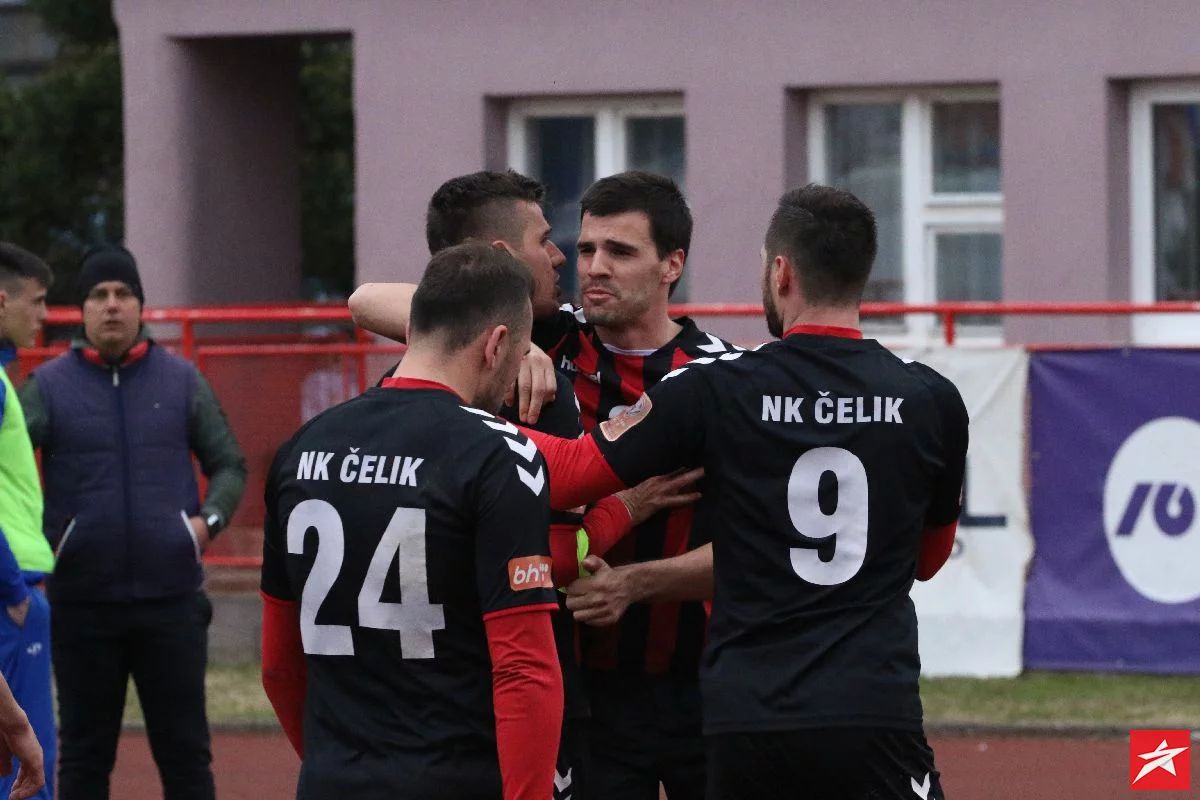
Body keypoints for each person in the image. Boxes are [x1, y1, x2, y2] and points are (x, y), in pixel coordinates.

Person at [521, 185, 968, 800]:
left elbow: (570, 472)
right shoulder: (932, 399)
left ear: (780, 272)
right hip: (872, 702)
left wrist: (454, 422)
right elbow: (928, 560)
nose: (595, 266)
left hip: (746, 708)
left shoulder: (715, 385)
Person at [351, 170, 729, 800]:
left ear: (673, 265)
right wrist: (510, 338)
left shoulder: (723, 376)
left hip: (701, 679)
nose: (593, 267)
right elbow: (365, 301)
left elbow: (761, 548)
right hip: (586, 689)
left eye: (620, 252)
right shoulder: (551, 337)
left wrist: (636, 583)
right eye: (586, 248)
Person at [261, 242, 564, 799]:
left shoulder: (301, 447)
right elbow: (524, 669)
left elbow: (279, 666)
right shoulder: (498, 453)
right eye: (521, 355)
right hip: (453, 779)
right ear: (497, 345)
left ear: (413, 328)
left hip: (331, 782)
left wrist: (332, 764)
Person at [19, 245, 247, 800]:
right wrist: (44, 543)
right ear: (82, 309)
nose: (112, 305)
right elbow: (10, 471)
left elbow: (229, 465)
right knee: (84, 759)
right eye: (99, 295)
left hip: (171, 606)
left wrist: (205, 524)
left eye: (123, 294)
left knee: (186, 757)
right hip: (82, 607)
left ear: (141, 305)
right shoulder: (48, 387)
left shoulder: (181, 381)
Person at [0, 243, 55, 800]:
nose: (43, 314)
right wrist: (14, 589)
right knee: (27, 774)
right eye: (35, 301)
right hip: (10, 595)